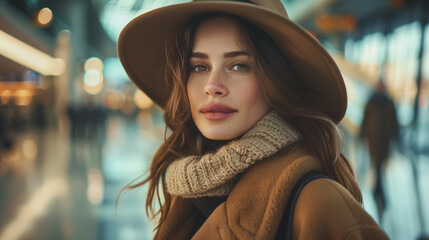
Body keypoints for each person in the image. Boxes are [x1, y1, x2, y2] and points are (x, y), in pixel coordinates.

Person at [118, 1, 389, 239]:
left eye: (239, 66)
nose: (212, 86)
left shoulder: (319, 203)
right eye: (199, 67)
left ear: (276, 82)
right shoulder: (186, 193)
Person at [361, 80, 399, 223]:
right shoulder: (372, 102)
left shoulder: (389, 103)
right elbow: (365, 119)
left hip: (384, 140)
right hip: (374, 139)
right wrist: (362, 133)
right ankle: (378, 189)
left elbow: (394, 120)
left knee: (379, 164)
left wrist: (396, 134)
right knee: (377, 164)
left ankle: (377, 189)